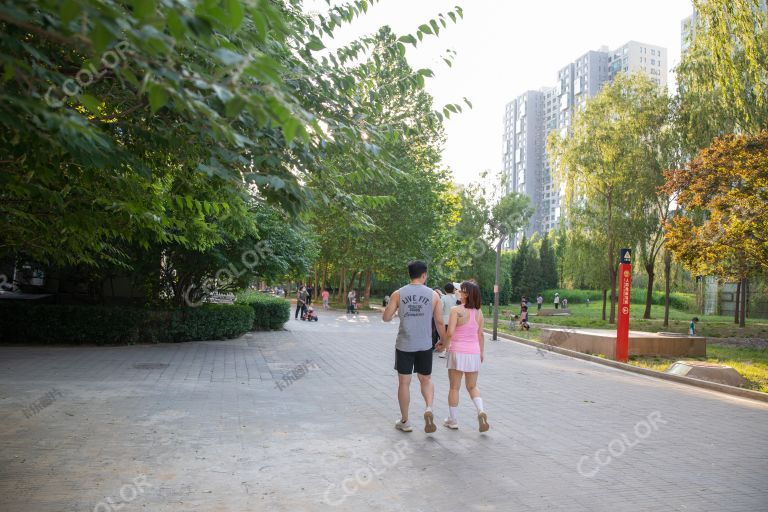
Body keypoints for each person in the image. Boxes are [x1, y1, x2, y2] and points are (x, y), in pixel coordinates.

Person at [383, 261, 446, 434]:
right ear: (424, 275)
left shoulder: (398, 293)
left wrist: (394, 308)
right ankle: (428, 408)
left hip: (404, 344)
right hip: (425, 345)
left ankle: (405, 421)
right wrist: (444, 341)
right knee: (426, 379)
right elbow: (440, 321)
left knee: (404, 382)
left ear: (409, 275)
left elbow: (386, 317)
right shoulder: (434, 295)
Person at [436, 281, 488, 432]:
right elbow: (481, 335)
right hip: (474, 352)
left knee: (454, 387)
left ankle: (452, 420)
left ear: (465, 294)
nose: (457, 292)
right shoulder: (479, 313)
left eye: (460, 290)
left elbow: (450, 333)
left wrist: (443, 346)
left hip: (457, 351)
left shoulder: (456, 310)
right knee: (472, 386)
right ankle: (480, 411)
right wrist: (481, 353)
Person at [438, 283, 459, 359]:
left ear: (445, 290)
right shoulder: (456, 297)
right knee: (454, 336)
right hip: (456, 319)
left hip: (446, 320)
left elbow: (440, 308)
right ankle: (454, 351)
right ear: (453, 289)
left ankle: (446, 351)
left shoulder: (443, 298)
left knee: (447, 336)